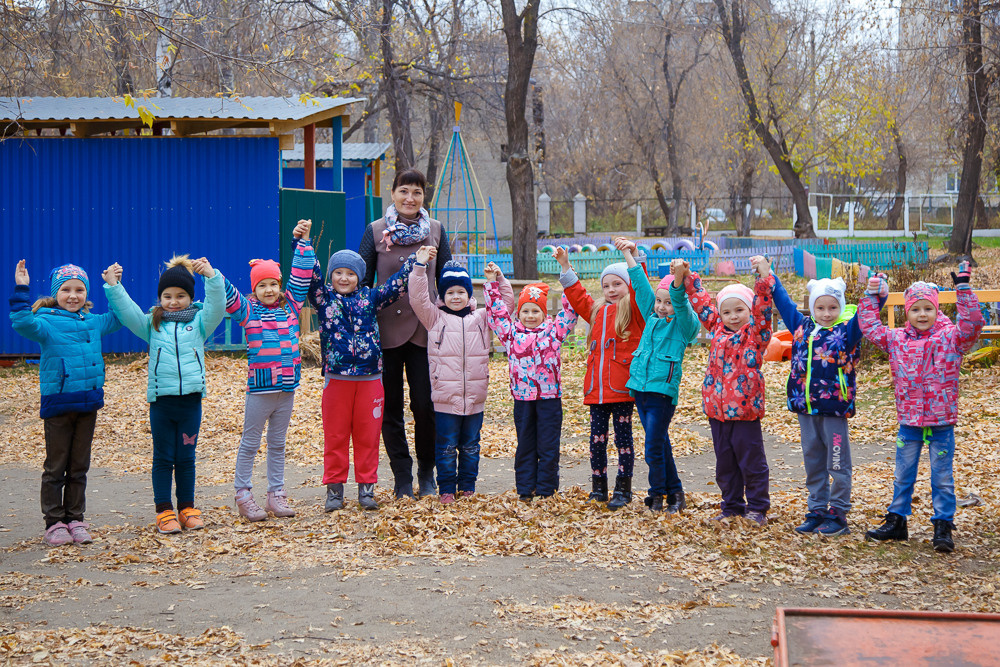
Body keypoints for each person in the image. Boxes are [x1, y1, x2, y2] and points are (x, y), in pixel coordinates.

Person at [860, 262, 984, 552]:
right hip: (910, 423)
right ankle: (897, 520)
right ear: (907, 312)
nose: (922, 314)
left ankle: (943, 524)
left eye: (928, 308)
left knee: (942, 477)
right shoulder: (896, 340)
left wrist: (963, 290)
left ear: (937, 310)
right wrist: (871, 295)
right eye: (915, 309)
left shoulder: (951, 338)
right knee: (903, 474)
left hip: (941, 423)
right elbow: (869, 327)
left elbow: (973, 324)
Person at [104, 255, 226, 534]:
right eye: (167, 296)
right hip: (162, 403)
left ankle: (187, 508)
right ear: (160, 297)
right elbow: (128, 312)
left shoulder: (200, 322)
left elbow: (217, 306)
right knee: (163, 457)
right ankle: (164, 511)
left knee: (186, 457)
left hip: (190, 403)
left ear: (190, 297)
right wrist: (113, 286)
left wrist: (212, 277)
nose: (173, 301)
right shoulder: (152, 324)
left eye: (180, 296)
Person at [9, 261, 121, 546]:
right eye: (66, 290)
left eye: (79, 290)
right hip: (59, 403)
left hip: (88, 403)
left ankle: (75, 519)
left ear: (86, 293)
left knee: (79, 466)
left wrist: (114, 286)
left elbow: (119, 317)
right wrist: (21, 288)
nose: (73, 296)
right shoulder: (45, 322)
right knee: (56, 467)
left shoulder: (93, 322)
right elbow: (21, 322)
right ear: (55, 293)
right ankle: (54, 522)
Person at [358, 169, 453, 499]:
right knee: (390, 407)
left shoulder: (436, 230)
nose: (410, 198)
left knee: (425, 405)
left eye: (417, 192)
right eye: (404, 191)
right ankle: (402, 475)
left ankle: (427, 472)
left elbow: (448, 278)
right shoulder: (375, 230)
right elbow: (362, 280)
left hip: (424, 331)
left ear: (424, 197)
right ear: (393, 194)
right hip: (384, 331)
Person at [309, 241, 422, 512]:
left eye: (350, 273)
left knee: (368, 437)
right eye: (338, 272)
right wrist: (303, 244)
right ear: (331, 275)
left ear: (359, 277)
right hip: (337, 379)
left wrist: (416, 261)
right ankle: (334, 491)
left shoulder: (370, 297)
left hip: (370, 380)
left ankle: (366, 490)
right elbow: (310, 278)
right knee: (335, 436)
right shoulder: (324, 299)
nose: (343, 278)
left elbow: (396, 285)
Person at [225, 220, 315, 521]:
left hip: (286, 389)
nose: (268, 289)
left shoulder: (291, 307)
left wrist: (303, 242)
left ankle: (276, 493)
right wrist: (212, 274)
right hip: (260, 391)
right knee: (250, 442)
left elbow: (301, 275)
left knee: (278, 444)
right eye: (262, 285)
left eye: (273, 284)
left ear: (279, 285)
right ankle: (243, 494)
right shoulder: (248, 311)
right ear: (254, 289)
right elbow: (229, 295)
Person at [409, 260, 515, 503]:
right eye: (450, 292)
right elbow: (417, 298)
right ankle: (446, 489)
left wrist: (499, 279)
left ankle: (468, 486)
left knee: (471, 445)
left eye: (461, 292)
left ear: (469, 294)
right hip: (446, 397)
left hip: (475, 396)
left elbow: (506, 307)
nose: (455, 297)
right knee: (446, 446)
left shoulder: (482, 318)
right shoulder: (434, 318)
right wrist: (419, 268)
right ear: (442, 296)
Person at [684, 256, 774, 526]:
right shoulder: (716, 329)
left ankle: (757, 507)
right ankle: (732, 505)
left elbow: (763, 310)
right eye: (727, 312)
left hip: (744, 412)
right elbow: (702, 303)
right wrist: (689, 277)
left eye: (739, 310)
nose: (733, 316)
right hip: (718, 412)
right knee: (725, 464)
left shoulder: (755, 335)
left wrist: (763, 279)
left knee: (752, 462)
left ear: (749, 310)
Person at [772, 274, 862, 536]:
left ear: (840, 307)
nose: (826, 313)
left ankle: (838, 513)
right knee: (813, 461)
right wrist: (770, 277)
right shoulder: (800, 326)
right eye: (820, 307)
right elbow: (784, 302)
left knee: (837, 462)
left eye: (833, 307)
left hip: (834, 408)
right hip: (806, 408)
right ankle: (817, 510)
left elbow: (867, 314)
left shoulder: (846, 331)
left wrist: (876, 294)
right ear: (812, 307)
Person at [556, 246, 646, 509]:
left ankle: (623, 488)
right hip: (596, 391)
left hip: (621, 390)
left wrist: (634, 258)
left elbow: (641, 288)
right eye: (606, 285)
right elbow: (578, 296)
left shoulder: (634, 310)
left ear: (628, 285)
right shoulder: (596, 311)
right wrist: (565, 265)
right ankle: (598, 488)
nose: (611, 290)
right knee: (596, 441)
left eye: (617, 284)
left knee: (623, 441)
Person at [615, 241, 699, 514]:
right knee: (660, 444)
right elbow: (640, 286)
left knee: (652, 448)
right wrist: (628, 253)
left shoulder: (683, 325)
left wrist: (678, 280)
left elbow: (680, 302)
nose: (662, 307)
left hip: (661, 394)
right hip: (641, 390)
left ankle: (657, 495)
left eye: (667, 302)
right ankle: (676, 493)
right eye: (659, 301)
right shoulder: (651, 317)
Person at [485, 266, 578, 500]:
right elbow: (497, 314)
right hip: (523, 399)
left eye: (535, 311)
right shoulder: (511, 335)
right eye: (525, 311)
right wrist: (491, 283)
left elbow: (570, 312)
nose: (530, 315)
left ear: (544, 314)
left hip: (549, 399)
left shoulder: (554, 333)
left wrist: (569, 277)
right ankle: (525, 489)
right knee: (525, 444)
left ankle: (546, 490)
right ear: (518, 314)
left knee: (548, 446)